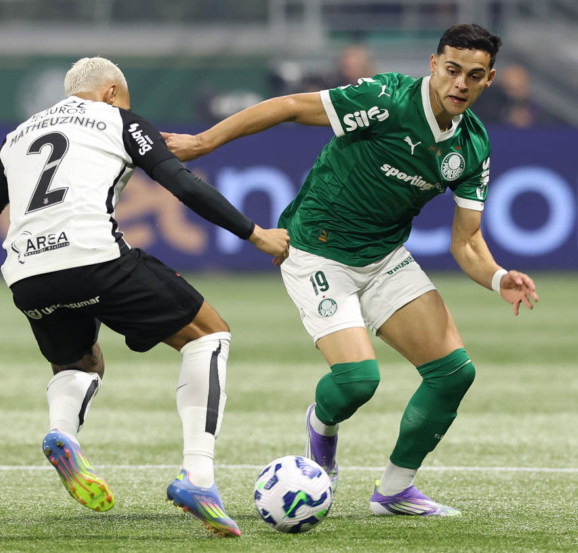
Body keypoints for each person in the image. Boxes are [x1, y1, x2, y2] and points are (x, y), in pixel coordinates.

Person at [0, 56, 289, 538]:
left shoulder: (18, 136)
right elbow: (181, 183)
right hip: (93, 258)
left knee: (79, 363)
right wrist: (256, 234)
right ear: (113, 91)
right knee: (210, 335)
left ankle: (63, 433)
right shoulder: (119, 118)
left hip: (26, 275)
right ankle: (198, 477)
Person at [164, 24, 538, 517]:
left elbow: (466, 242)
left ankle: (395, 491)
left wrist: (497, 277)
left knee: (453, 375)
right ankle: (321, 426)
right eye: (452, 70)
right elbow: (290, 106)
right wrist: (204, 142)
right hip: (317, 251)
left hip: (383, 258)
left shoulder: (473, 146)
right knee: (359, 381)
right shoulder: (385, 98)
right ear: (433, 64)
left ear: (489, 79)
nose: (460, 84)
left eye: (473, 75)